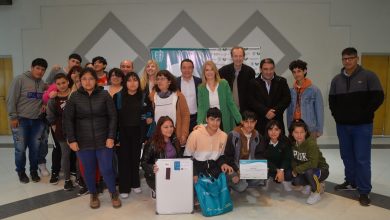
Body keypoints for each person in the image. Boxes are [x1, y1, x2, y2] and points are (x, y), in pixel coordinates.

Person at [329, 47, 384, 206]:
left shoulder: (368, 76)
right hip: (343, 126)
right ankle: (351, 181)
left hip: (362, 126)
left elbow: (378, 97)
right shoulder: (336, 80)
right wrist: (337, 116)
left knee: (362, 159)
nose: (347, 61)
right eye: (344, 58)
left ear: (356, 59)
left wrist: (364, 114)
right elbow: (332, 101)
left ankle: (364, 190)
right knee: (346, 155)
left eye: (350, 58)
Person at [63, 67, 121, 209]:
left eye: (90, 79)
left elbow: (113, 117)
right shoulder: (75, 97)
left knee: (107, 169)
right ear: (80, 81)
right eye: (84, 79)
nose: (87, 82)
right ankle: (93, 194)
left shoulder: (104, 95)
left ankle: (113, 193)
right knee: (88, 170)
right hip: (83, 142)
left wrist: (111, 136)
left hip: (104, 140)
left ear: (96, 80)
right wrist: (72, 139)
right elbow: (68, 120)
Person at [7, 58, 48, 183]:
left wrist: (45, 104)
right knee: (20, 149)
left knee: (35, 149)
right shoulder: (19, 79)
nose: (40, 71)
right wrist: (13, 117)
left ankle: (33, 170)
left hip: (37, 121)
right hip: (21, 121)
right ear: (32, 67)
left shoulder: (42, 83)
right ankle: (21, 172)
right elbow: (11, 99)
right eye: (38, 68)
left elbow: (51, 90)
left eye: (43, 70)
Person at [114, 72, 153, 199]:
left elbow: (149, 112)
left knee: (135, 159)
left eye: (135, 80)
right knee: (123, 160)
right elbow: (114, 118)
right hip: (122, 133)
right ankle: (124, 187)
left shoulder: (143, 96)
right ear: (125, 83)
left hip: (138, 132)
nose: (132, 83)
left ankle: (135, 183)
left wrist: (148, 117)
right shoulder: (118, 96)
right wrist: (115, 137)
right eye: (129, 80)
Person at [184, 107, 234, 183]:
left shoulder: (223, 136)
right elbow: (187, 157)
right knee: (192, 191)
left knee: (239, 184)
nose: (215, 123)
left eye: (218, 120)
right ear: (206, 119)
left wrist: (223, 164)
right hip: (197, 169)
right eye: (212, 119)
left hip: (215, 168)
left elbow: (221, 156)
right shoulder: (195, 134)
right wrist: (194, 173)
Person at [289, 119, 329, 205]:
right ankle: (312, 184)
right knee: (296, 181)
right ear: (292, 133)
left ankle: (316, 192)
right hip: (306, 169)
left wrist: (297, 169)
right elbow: (293, 159)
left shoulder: (311, 144)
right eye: (296, 132)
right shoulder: (292, 144)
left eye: (302, 132)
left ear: (306, 132)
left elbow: (313, 164)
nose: (299, 135)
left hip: (321, 170)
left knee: (309, 171)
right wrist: (295, 168)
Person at [141, 116, 181, 198]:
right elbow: (143, 162)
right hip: (156, 175)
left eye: (171, 126)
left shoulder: (174, 139)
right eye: (166, 127)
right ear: (159, 128)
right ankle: (154, 189)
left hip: (172, 173)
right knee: (165, 197)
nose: (169, 129)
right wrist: (152, 168)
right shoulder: (151, 143)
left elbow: (180, 157)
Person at [46, 73, 74, 190]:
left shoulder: (74, 95)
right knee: (65, 155)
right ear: (55, 85)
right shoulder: (54, 99)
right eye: (58, 84)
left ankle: (79, 177)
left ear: (68, 82)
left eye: (63, 82)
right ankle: (67, 180)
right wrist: (54, 127)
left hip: (77, 130)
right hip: (61, 131)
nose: (61, 85)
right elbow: (50, 115)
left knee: (79, 155)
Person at [248, 58, 291, 135]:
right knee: (260, 146)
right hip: (260, 123)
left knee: (279, 146)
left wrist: (275, 111)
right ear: (260, 69)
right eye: (265, 69)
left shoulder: (282, 81)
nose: (269, 72)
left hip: (277, 121)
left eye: (271, 69)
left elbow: (287, 99)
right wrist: (265, 111)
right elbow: (251, 101)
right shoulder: (253, 83)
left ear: (274, 69)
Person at [224, 111, 263, 192]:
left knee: (262, 178)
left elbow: (259, 154)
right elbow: (228, 157)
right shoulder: (233, 135)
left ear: (255, 122)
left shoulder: (257, 136)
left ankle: (243, 180)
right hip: (235, 167)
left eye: (252, 122)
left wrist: (260, 166)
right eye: (246, 122)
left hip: (249, 167)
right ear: (242, 122)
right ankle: (231, 179)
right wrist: (237, 170)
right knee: (241, 187)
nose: (249, 125)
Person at [197, 60, 242, 133]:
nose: (209, 72)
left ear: (215, 71)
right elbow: (201, 108)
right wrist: (199, 123)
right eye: (207, 70)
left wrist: (239, 119)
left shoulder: (223, 84)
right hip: (209, 122)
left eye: (212, 69)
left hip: (224, 120)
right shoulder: (201, 88)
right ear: (204, 73)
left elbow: (231, 103)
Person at [149, 70, 190, 147]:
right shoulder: (152, 96)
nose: (159, 81)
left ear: (169, 82)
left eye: (162, 79)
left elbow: (185, 116)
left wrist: (184, 134)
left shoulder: (178, 96)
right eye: (158, 79)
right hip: (157, 137)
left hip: (174, 136)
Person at [287, 60, 324, 138]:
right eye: (294, 72)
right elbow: (289, 112)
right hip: (294, 129)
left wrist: (319, 129)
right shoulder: (291, 91)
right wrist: (289, 128)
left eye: (299, 71)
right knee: (295, 150)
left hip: (310, 129)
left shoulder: (314, 90)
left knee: (310, 150)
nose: (296, 74)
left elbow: (319, 111)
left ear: (305, 71)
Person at [219, 46, 256, 112]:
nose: (238, 58)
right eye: (235, 56)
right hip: (228, 110)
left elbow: (252, 93)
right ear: (232, 57)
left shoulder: (250, 72)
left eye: (240, 56)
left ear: (244, 57)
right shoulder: (223, 71)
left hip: (244, 111)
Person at [261, 120, 293, 191]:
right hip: (271, 168)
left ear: (280, 131)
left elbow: (287, 158)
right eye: (270, 129)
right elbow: (264, 159)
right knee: (262, 169)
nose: (273, 132)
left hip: (283, 168)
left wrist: (281, 170)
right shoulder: (264, 141)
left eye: (276, 129)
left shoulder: (285, 141)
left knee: (289, 173)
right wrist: (276, 170)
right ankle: (270, 179)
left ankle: (284, 181)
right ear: (267, 131)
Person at [176, 59, 202, 132]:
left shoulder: (199, 81)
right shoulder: (175, 82)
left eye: (189, 67)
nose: (187, 70)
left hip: (196, 118)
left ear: (193, 69)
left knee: (196, 142)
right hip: (181, 119)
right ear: (181, 69)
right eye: (184, 68)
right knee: (182, 142)